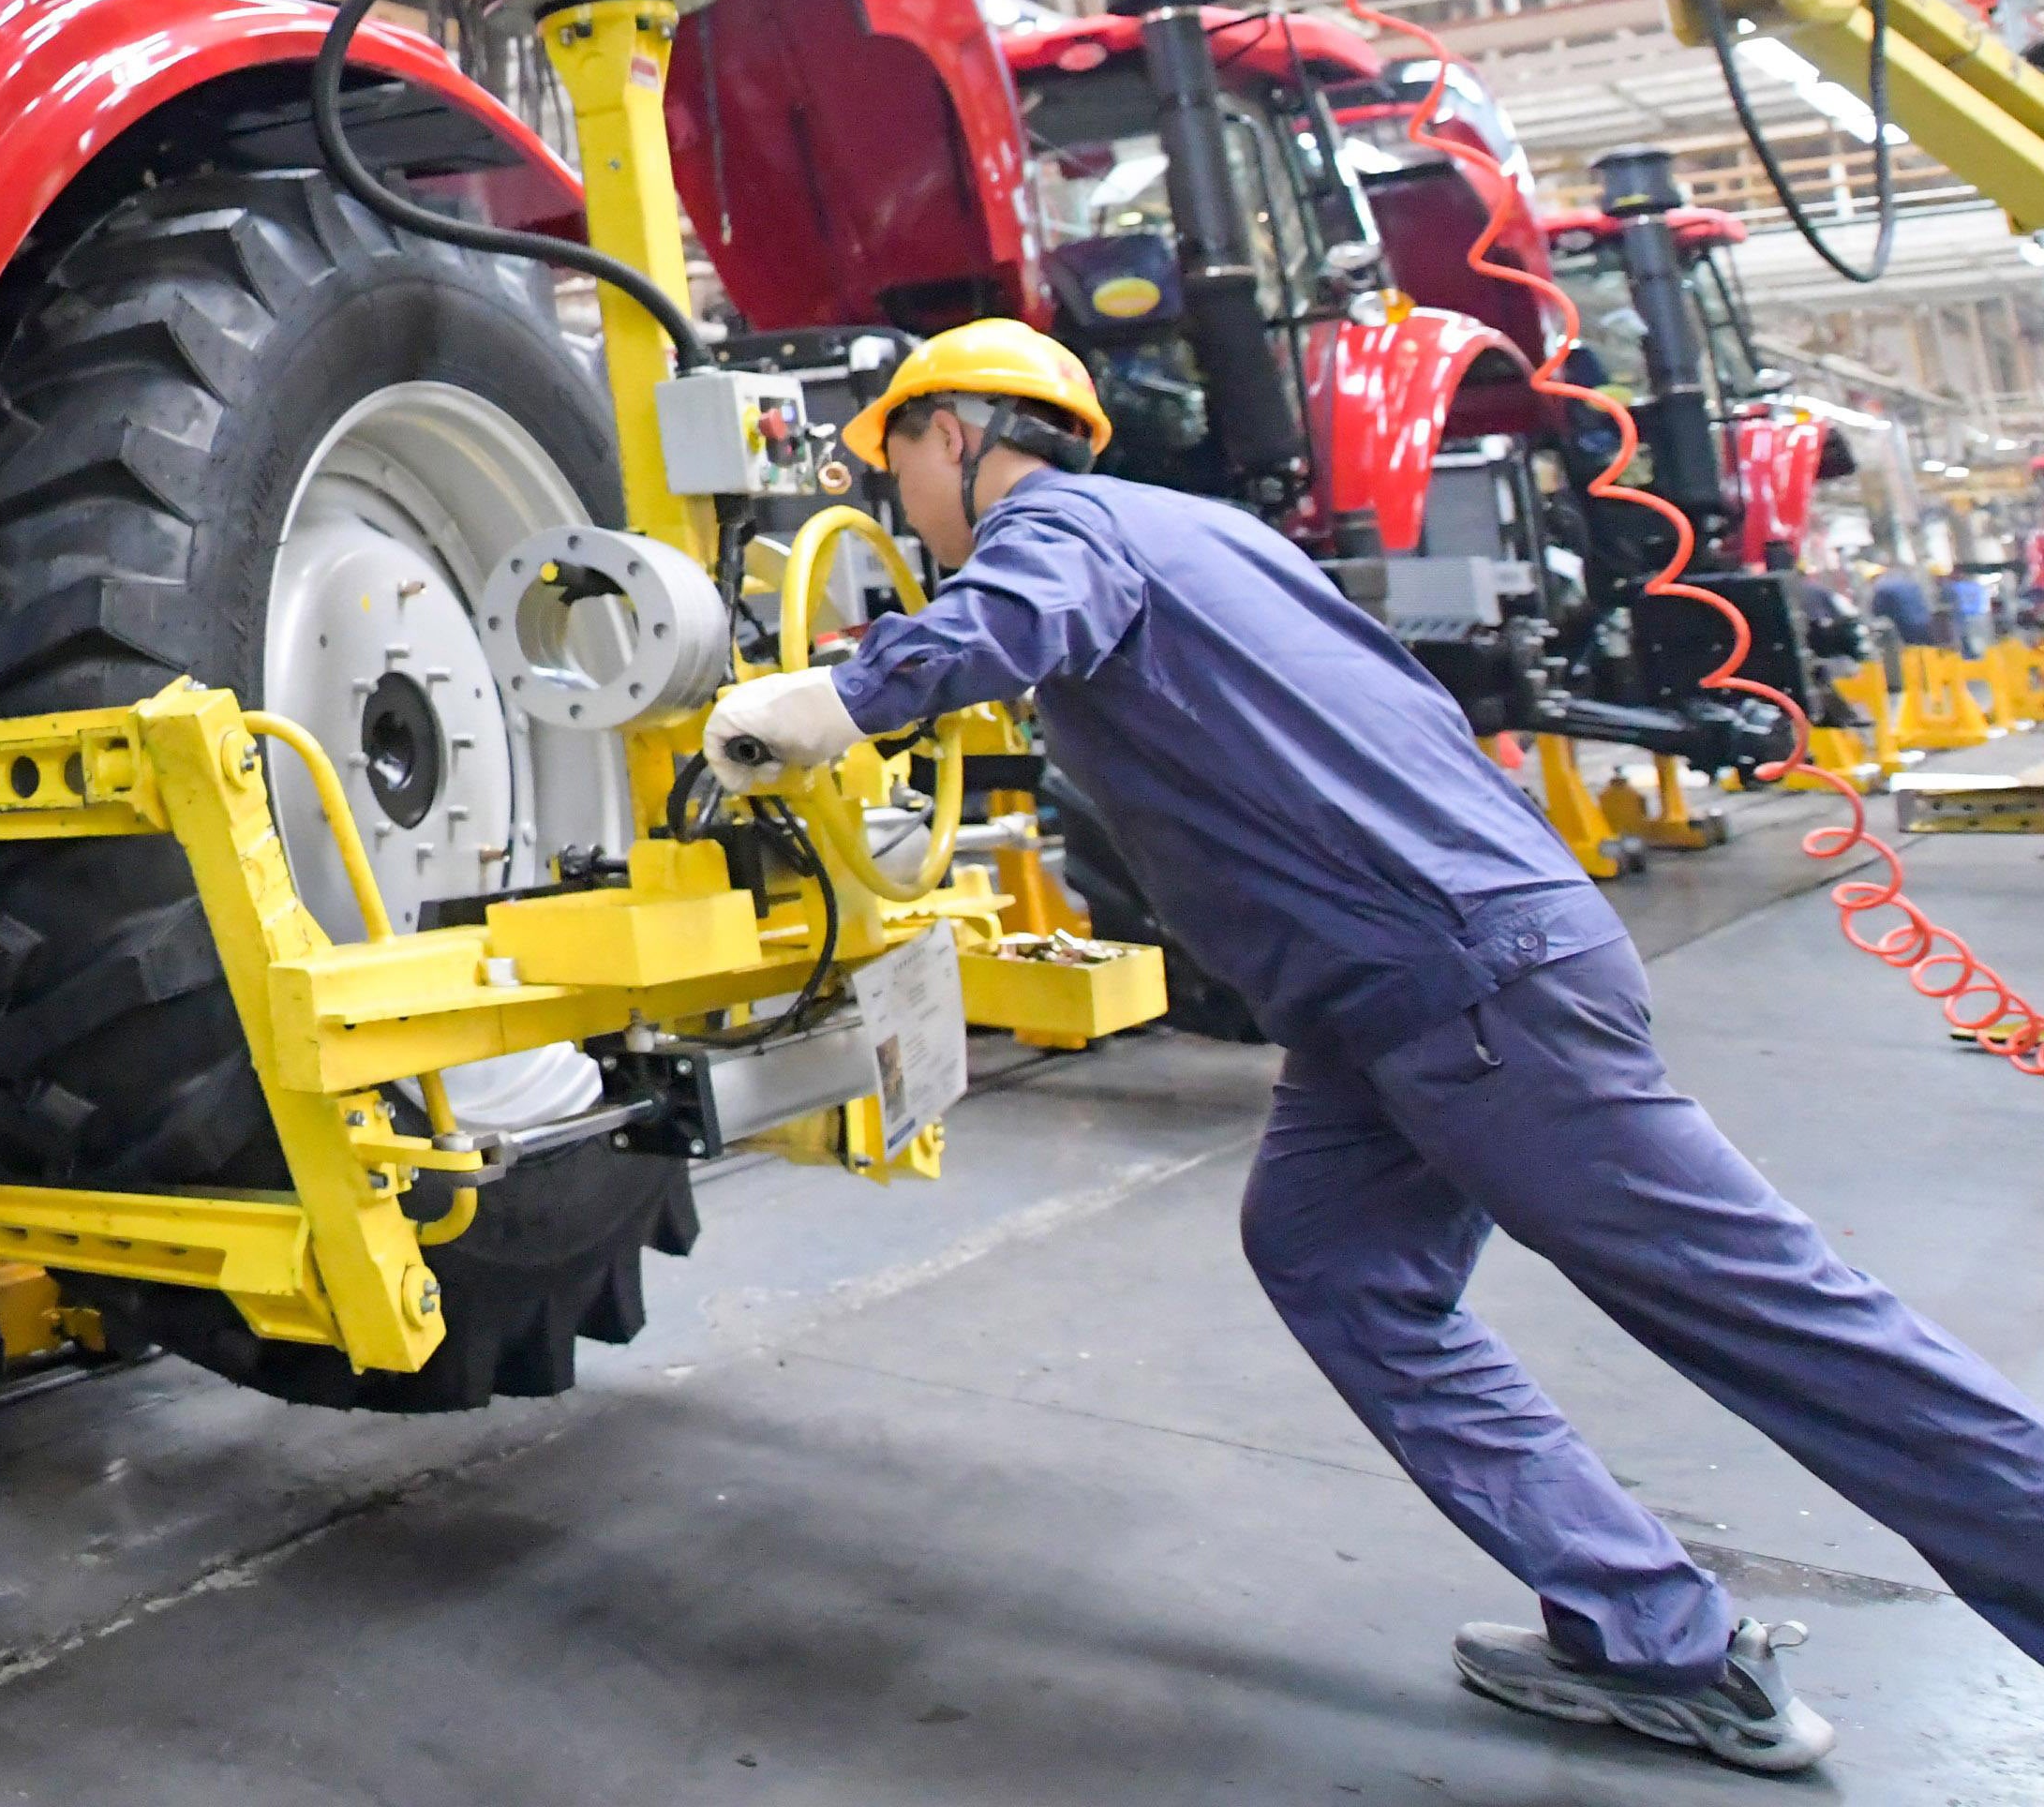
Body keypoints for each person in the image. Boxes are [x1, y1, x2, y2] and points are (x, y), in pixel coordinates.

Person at [705, 320, 2044, 1777]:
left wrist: (830, 700)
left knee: (1764, 1310)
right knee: (1331, 1257)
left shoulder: (1066, 523)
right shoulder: (1207, 534)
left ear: (954, 435)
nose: (901, 503)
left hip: (1463, 987)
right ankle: (1649, 1635)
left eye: (898, 462)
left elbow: (1019, 612)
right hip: (1403, 992)